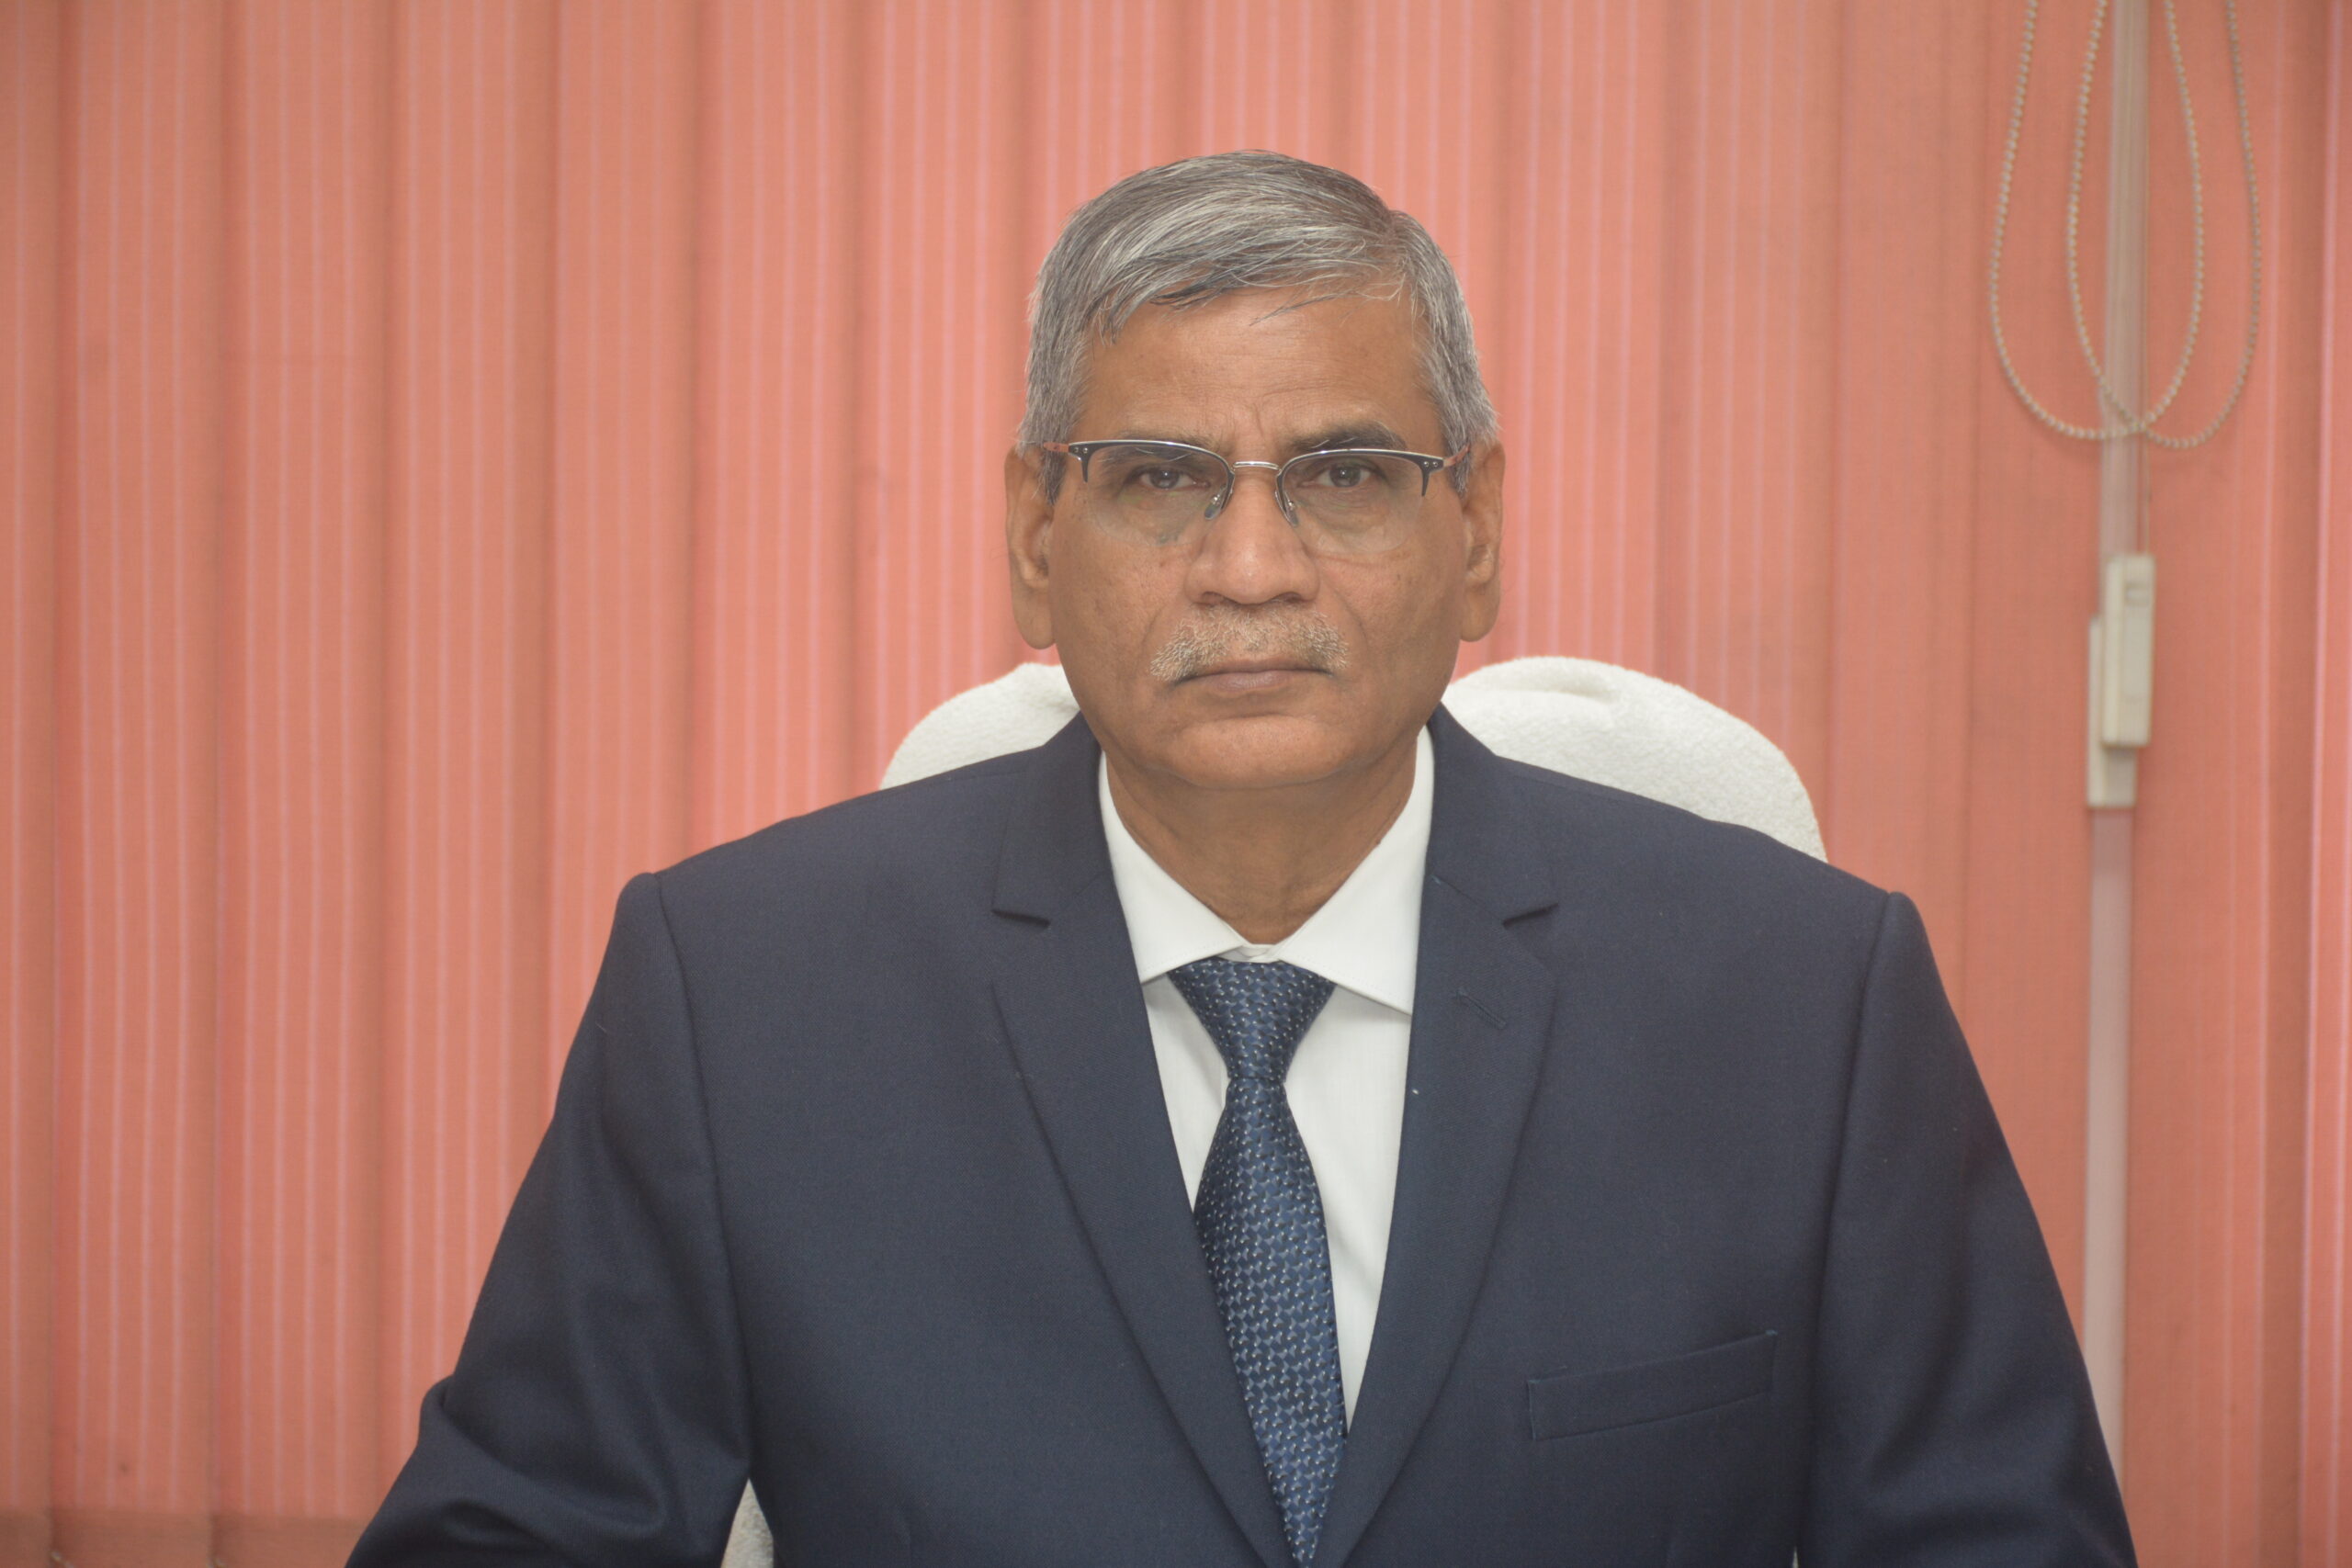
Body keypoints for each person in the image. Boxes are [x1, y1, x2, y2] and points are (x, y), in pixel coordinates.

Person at [350, 151, 2134, 1567]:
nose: (1253, 567)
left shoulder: (1800, 1003)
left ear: (1474, 532)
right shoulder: (743, 999)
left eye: (1346, 475)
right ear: (1035, 538)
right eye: (1159, 478)